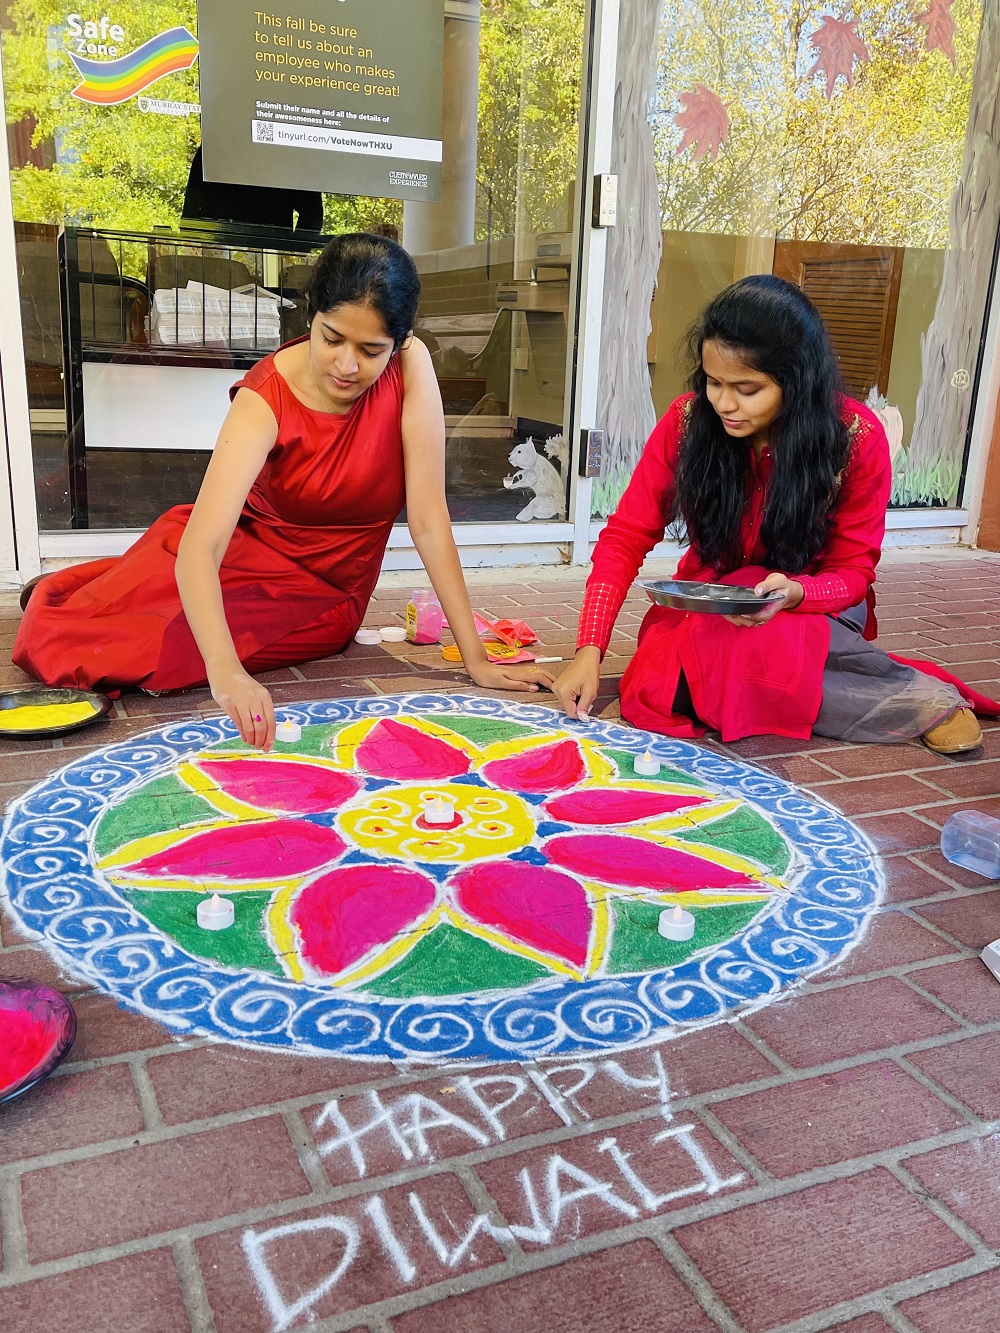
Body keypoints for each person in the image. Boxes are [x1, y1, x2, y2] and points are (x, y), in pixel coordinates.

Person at [14, 233, 552, 748]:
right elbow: (203, 547)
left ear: (401, 341)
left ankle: (78, 596)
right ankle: (68, 592)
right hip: (242, 552)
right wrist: (228, 676)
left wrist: (475, 658)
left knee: (148, 651)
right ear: (310, 317)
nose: (346, 365)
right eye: (332, 338)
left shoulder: (411, 369)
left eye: (371, 349)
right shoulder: (267, 392)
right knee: (95, 632)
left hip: (324, 594)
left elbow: (430, 520)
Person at [553, 275, 996, 753]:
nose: (723, 403)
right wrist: (589, 650)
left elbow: (853, 571)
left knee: (758, 657)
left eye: (747, 388)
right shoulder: (686, 422)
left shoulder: (854, 438)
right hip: (716, 605)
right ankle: (868, 692)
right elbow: (625, 537)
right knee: (656, 687)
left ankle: (921, 700)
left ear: (796, 379)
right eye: (713, 382)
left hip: (812, 605)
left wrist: (797, 592)